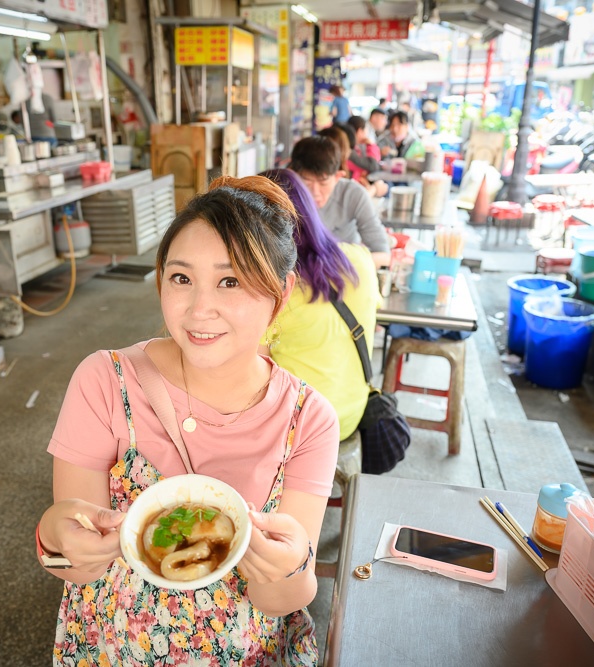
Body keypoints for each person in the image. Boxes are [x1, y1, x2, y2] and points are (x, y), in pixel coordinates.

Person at [37, 175, 339, 664]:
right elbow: (77, 568)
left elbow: (277, 602)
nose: (200, 309)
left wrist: (286, 567)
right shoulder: (104, 380)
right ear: (161, 281)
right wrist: (54, 532)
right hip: (114, 647)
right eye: (181, 278)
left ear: (279, 296)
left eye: (231, 281)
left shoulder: (308, 421)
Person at [261, 168, 379, 441]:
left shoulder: (275, 289)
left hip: (303, 426)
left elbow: (252, 372)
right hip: (352, 413)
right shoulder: (360, 259)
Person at [290, 135, 391, 268]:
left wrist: (334, 268)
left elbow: (383, 255)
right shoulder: (282, 196)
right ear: (293, 176)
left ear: (338, 177)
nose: (315, 192)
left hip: (346, 276)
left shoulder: (353, 194)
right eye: (306, 182)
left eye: (323, 182)